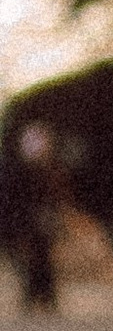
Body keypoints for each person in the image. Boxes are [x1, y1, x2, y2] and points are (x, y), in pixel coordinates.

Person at [0, 116, 67, 313]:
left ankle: (41, 298)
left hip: (31, 226)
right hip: (20, 225)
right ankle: (38, 298)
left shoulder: (43, 172)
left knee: (38, 256)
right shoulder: (15, 172)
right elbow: (13, 205)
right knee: (33, 258)